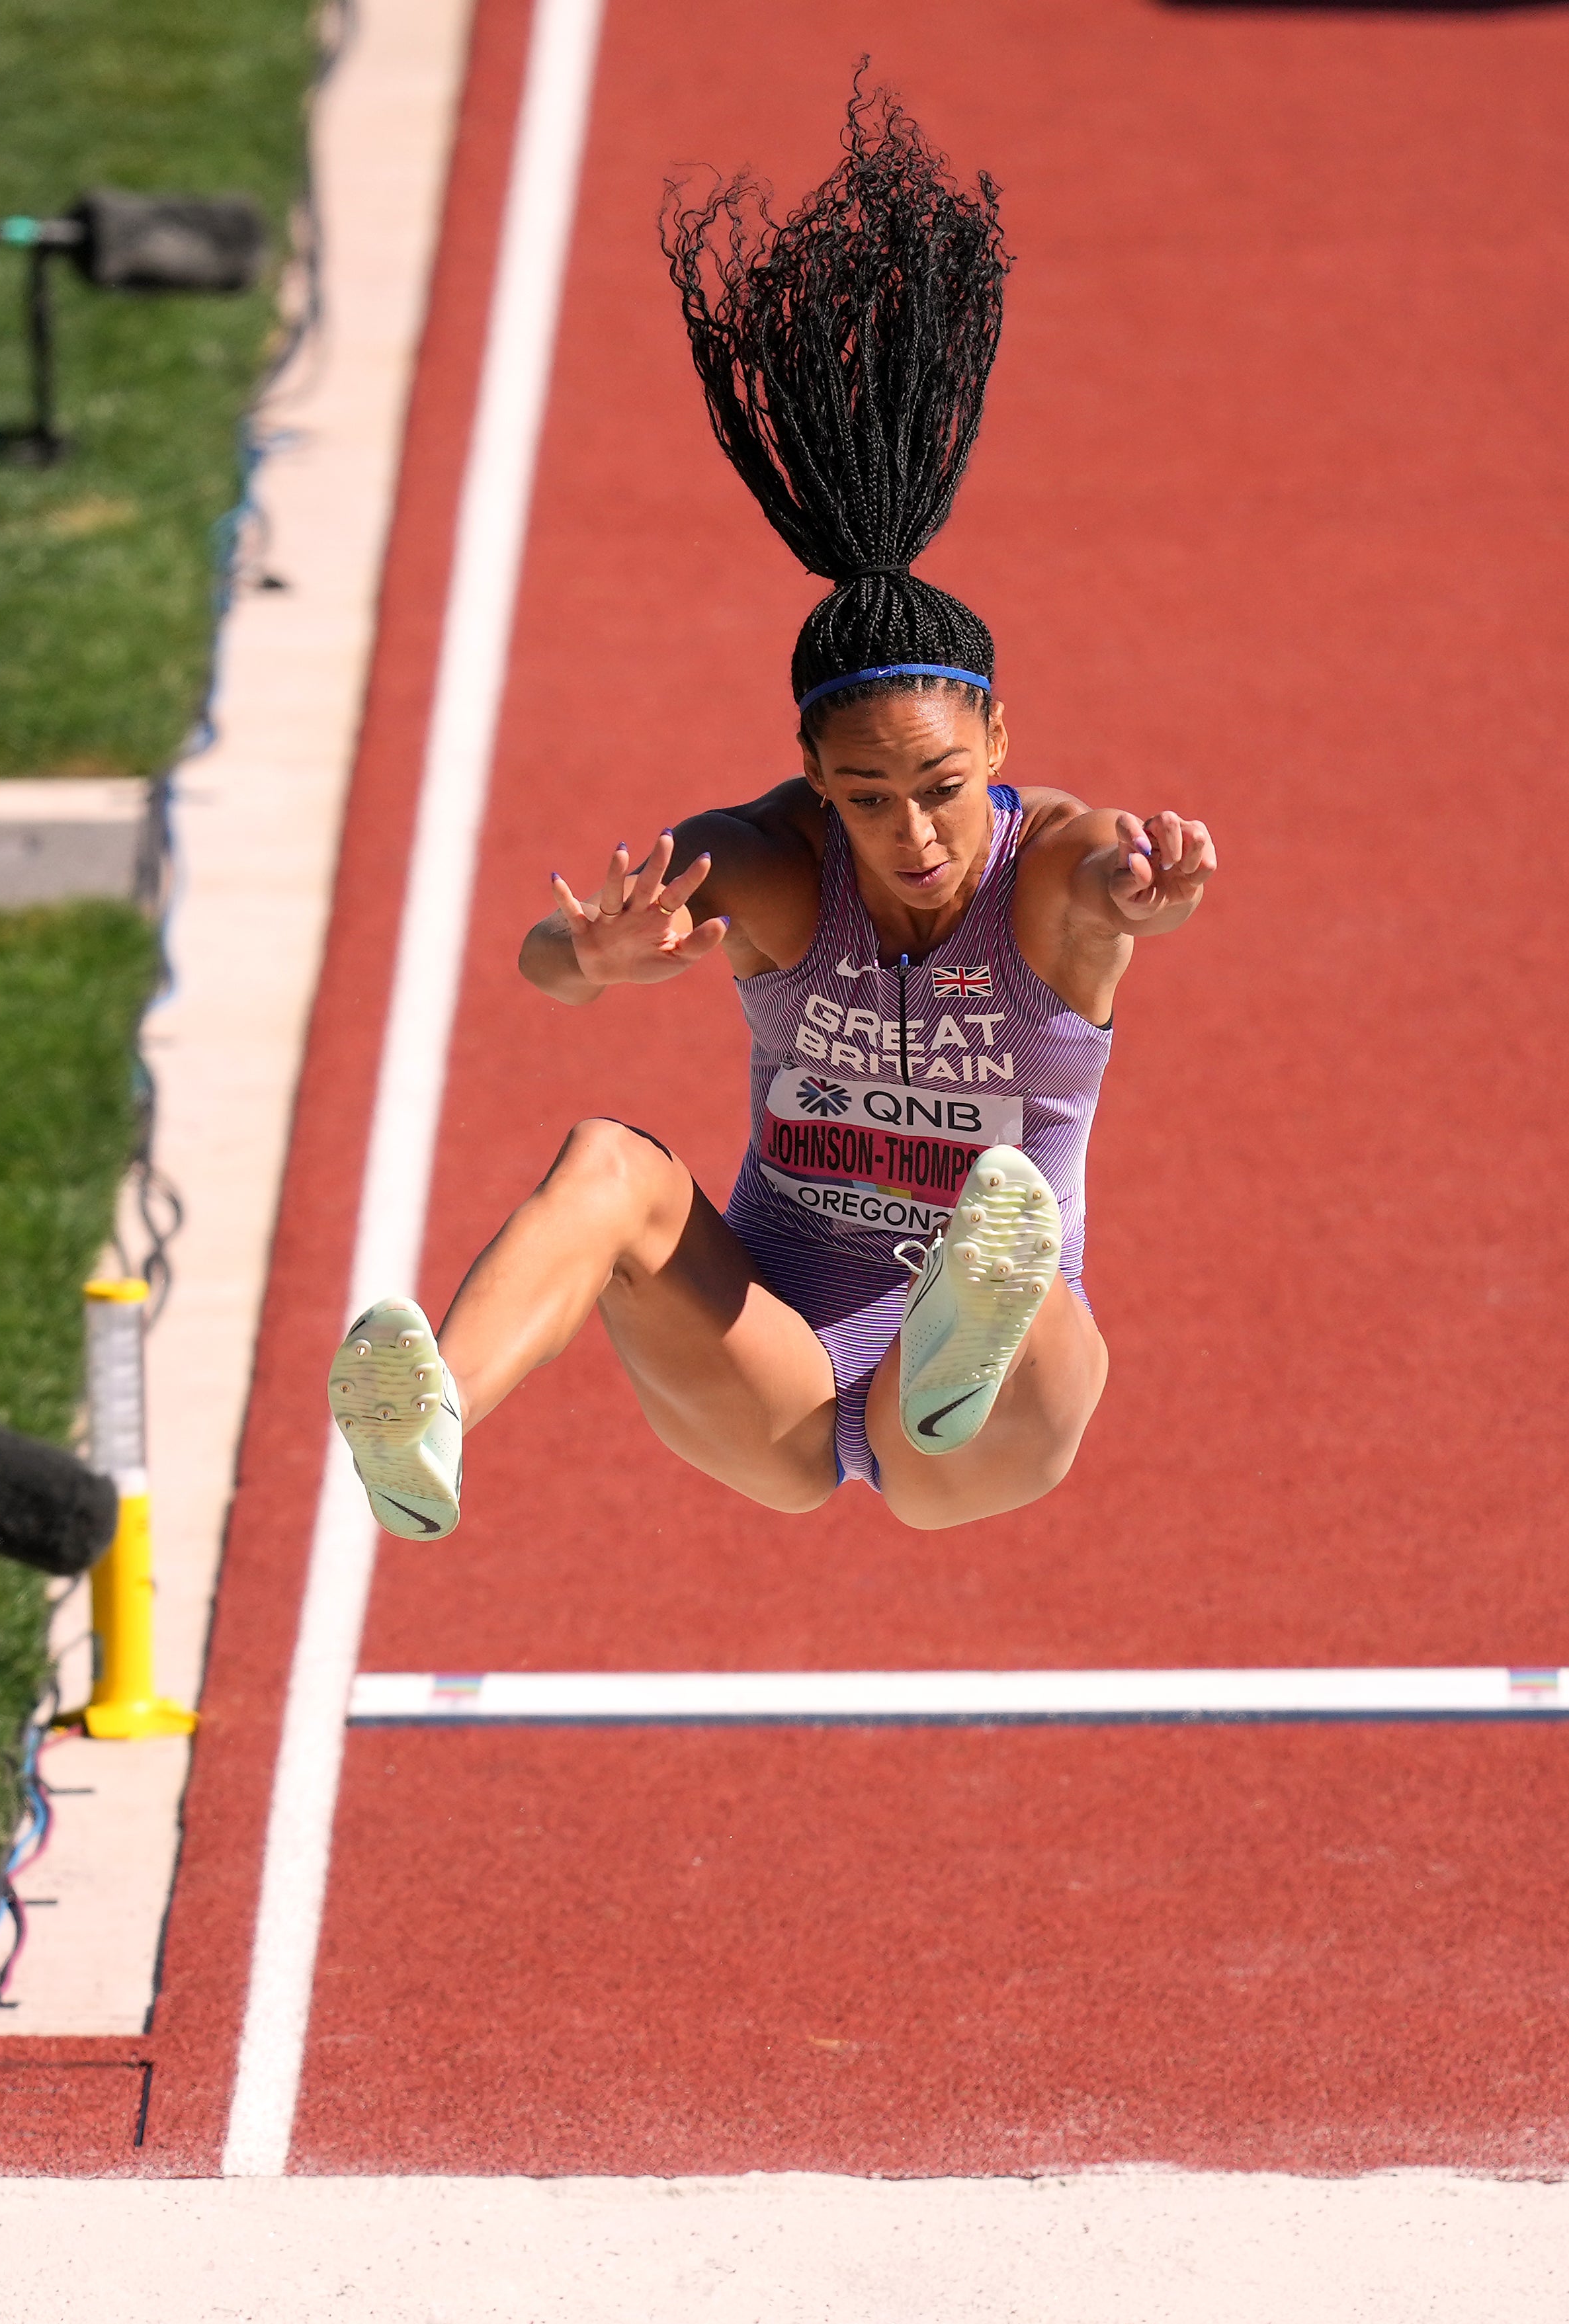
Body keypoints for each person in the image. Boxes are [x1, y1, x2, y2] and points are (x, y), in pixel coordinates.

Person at [328, 83, 1214, 1540]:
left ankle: (961, 1325)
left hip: (992, 1415)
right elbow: (544, 965)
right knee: (611, 1157)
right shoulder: (777, 867)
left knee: (1020, 1250)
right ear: (814, 778)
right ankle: (425, 1419)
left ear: (996, 735)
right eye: (867, 798)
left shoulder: (1050, 860)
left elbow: (1100, 882)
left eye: (940, 787)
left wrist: (1139, 900)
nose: (914, 831)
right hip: (779, 1373)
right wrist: (591, 963)